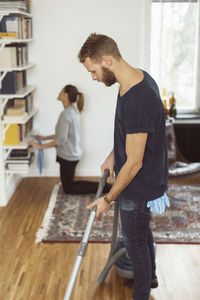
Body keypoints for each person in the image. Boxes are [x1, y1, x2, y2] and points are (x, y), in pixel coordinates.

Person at [78, 33, 170, 300]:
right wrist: (113, 155)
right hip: (145, 177)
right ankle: (149, 276)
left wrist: (108, 198)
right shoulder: (133, 80)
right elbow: (130, 135)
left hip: (139, 184)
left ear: (107, 60)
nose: (93, 78)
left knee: (135, 242)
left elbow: (134, 162)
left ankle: (141, 295)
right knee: (143, 231)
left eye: (93, 71)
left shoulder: (139, 100)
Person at [29, 84, 110, 194]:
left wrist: (40, 147)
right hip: (72, 154)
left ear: (66, 95)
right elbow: (63, 134)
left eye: (61, 91)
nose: (59, 93)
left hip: (69, 157)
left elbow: (60, 140)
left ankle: (106, 188)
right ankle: (105, 187)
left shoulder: (65, 114)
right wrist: (44, 138)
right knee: (69, 184)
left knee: (69, 188)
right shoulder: (72, 110)